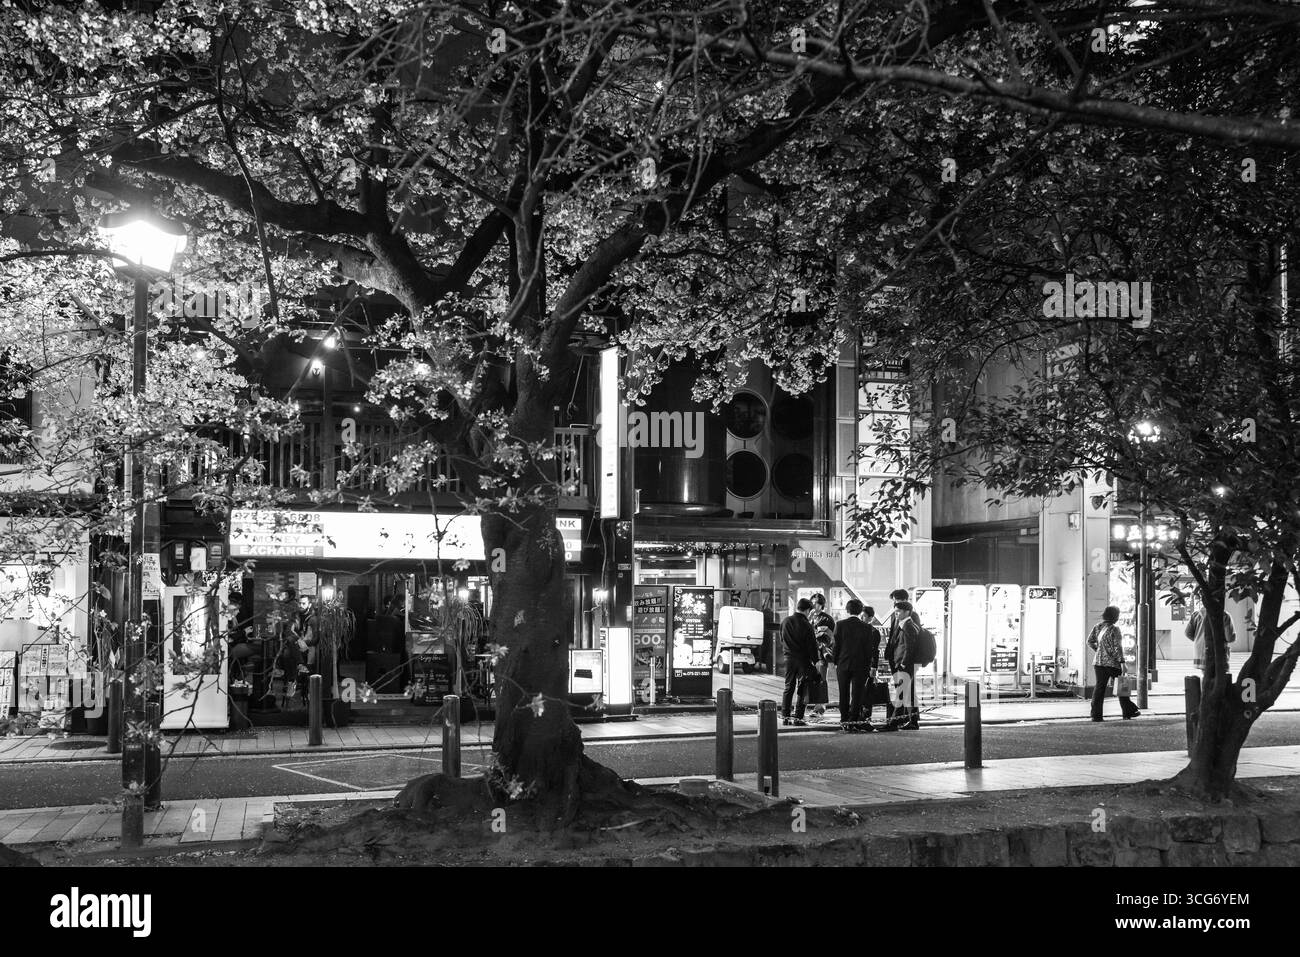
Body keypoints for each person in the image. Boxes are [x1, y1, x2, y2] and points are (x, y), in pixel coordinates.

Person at [833, 599, 878, 732]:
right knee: (857, 694)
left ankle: (844, 720)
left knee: (843, 693)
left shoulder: (840, 624)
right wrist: (869, 666)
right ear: (860, 611)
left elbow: (836, 646)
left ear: (847, 610)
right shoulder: (866, 627)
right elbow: (869, 650)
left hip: (843, 664)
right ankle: (853, 720)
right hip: (861, 665)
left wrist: (836, 662)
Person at [1089, 605, 1140, 721]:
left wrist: (1098, 650)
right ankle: (1128, 711)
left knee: (1099, 688)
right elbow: (1118, 647)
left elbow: (1089, 641)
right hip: (1112, 663)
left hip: (1098, 663)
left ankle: (1096, 716)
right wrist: (1122, 662)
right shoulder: (1114, 629)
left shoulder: (1097, 627)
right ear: (1115, 616)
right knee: (1122, 687)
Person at [883, 598, 922, 730]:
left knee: (902, 693)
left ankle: (894, 723)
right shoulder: (904, 625)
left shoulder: (908, 626)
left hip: (905, 665)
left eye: (898, 612)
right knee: (907, 693)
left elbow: (909, 648)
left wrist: (903, 664)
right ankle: (912, 721)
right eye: (895, 612)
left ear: (907, 612)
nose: (896, 614)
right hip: (903, 664)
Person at [780, 598, 820, 726]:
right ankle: (798, 718)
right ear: (808, 610)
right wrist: (816, 661)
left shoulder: (785, 621)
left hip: (788, 659)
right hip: (803, 660)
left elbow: (782, 639)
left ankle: (785, 717)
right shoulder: (806, 625)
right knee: (802, 688)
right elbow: (812, 646)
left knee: (788, 687)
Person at [1184, 591, 1236, 669]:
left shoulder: (1196, 615)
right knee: (1218, 675)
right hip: (1218, 653)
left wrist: (1199, 639)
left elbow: (1188, 633)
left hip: (1200, 654)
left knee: (1205, 675)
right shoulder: (1224, 616)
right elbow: (1230, 637)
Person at [808, 593, 835, 720]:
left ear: (822, 605)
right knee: (812, 680)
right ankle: (814, 704)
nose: (814, 606)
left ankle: (820, 707)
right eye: (813, 603)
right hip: (811, 654)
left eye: (817, 603)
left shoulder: (826, 619)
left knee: (821, 680)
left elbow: (827, 638)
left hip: (821, 655)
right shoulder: (810, 618)